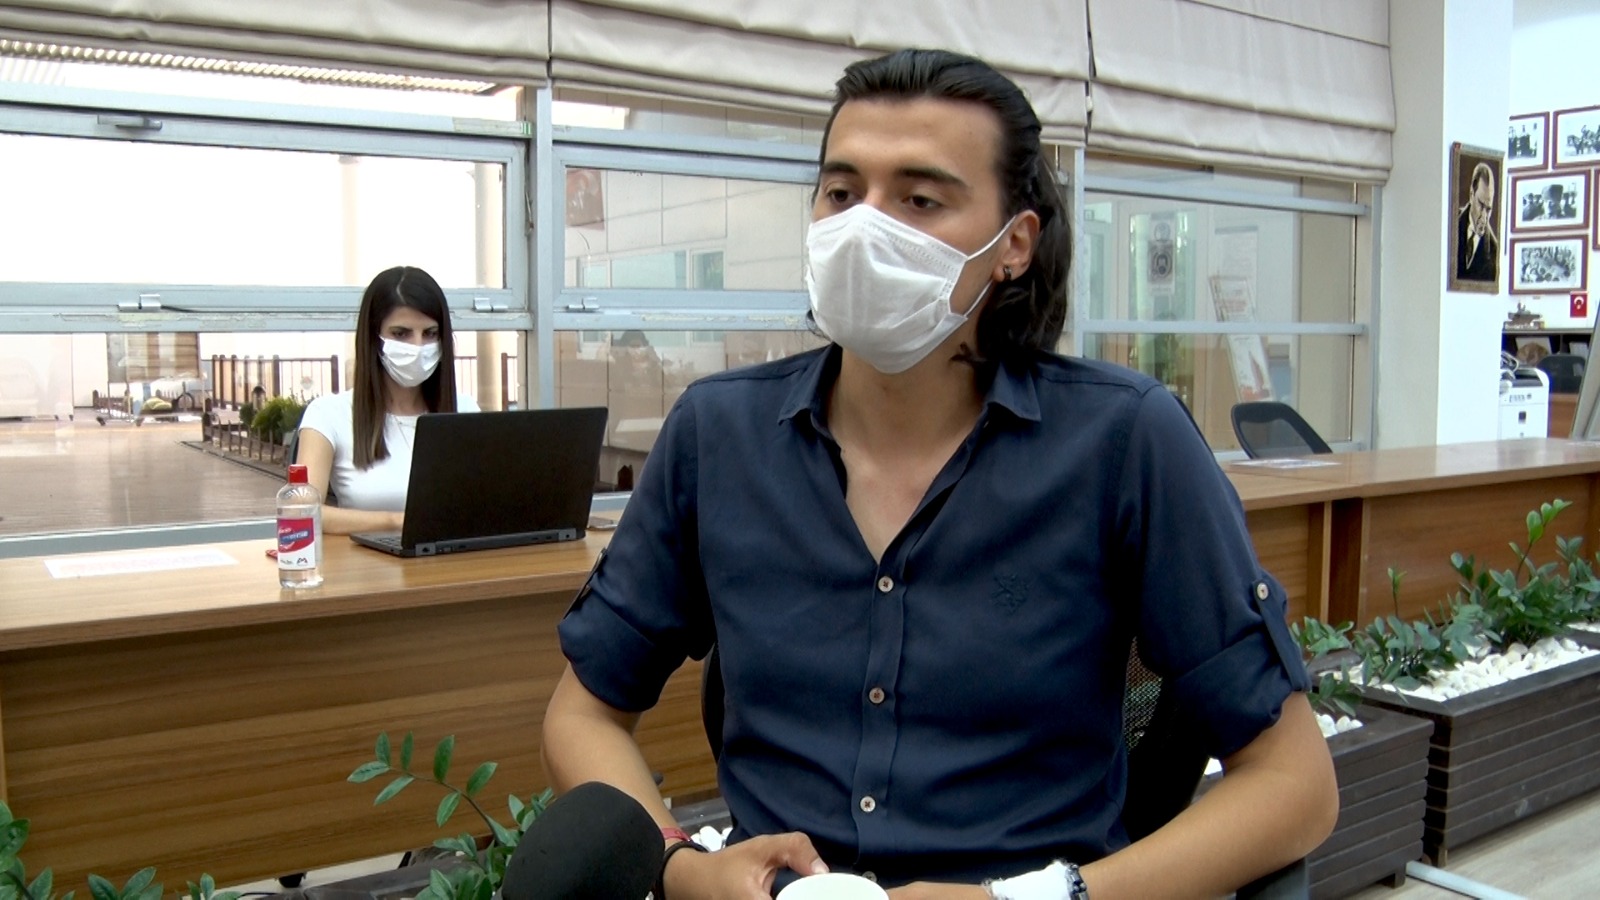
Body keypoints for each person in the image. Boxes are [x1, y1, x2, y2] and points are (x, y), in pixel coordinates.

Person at [544, 49, 1338, 899]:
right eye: (842, 193)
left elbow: (1294, 785)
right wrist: (679, 865)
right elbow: (583, 713)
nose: (865, 228)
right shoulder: (718, 436)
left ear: (1014, 244)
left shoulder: (1124, 441)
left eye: (919, 200)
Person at [296, 265, 478, 535]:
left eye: (430, 333)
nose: (417, 347)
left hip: (453, 558)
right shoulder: (327, 414)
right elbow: (301, 511)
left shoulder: (465, 409)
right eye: (401, 333)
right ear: (374, 337)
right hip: (365, 561)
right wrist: (396, 521)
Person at [1456, 161, 1499, 283]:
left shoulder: (1494, 252)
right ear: (1471, 195)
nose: (1484, 217)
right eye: (1481, 205)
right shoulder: (1451, 223)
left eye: (1488, 209)